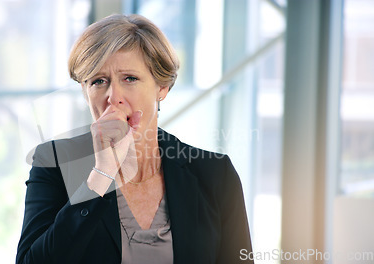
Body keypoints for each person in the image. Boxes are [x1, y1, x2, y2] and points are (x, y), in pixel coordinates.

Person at [16, 14, 253, 264]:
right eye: (99, 81)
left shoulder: (214, 173)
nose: (113, 96)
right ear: (86, 94)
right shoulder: (53, 162)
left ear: (162, 87)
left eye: (130, 78)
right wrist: (101, 175)